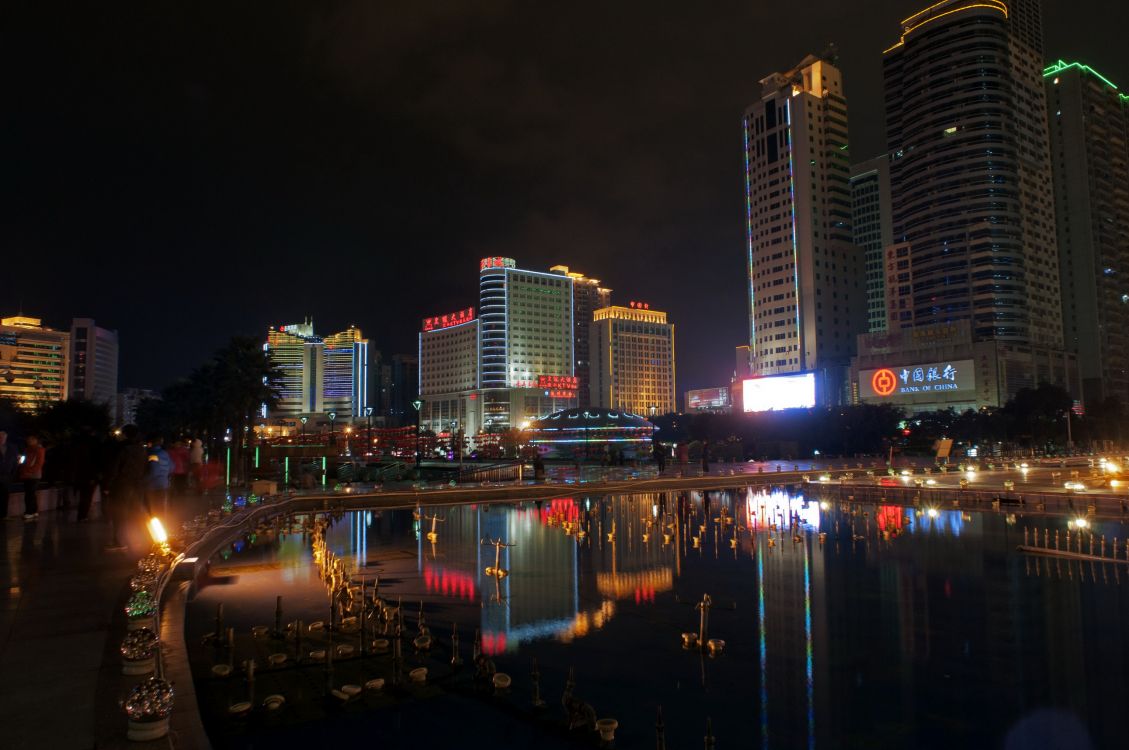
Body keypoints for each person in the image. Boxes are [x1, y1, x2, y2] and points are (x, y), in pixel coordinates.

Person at [104, 425, 147, 550]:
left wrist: (107, 485)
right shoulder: (142, 449)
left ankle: (119, 541)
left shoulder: (121, 449)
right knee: (135, 512)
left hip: (122, 484)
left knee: (120, 513)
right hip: (137, 484)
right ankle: (136, 539)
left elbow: (114, 468)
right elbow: (146, 467)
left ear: (125, 434)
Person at [71, 427, 102, 521]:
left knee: (82, 495)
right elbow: (97, 460)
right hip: (90, 475)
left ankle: (81, 514)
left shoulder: (76, 443)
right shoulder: (95, 443)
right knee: (87, 495)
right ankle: (83, 515)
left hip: (79, 474)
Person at [20, 434, 46, 520]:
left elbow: (39, 464)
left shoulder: (39, 450)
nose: (28, 441)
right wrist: (20, 463)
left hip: (34, 476)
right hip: (27, 474)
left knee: (29, 494)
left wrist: (29, 472)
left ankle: (29, 512)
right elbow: (22, 461)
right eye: (28, 439)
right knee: (31, 493)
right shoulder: (27, 450)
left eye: (31, 439)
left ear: (35, 440)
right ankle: (34, 511)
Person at [145, 435, 172, 515]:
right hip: (163, 483)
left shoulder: (152, 454)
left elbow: (153, 471)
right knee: (161, 508)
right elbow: (172, 467)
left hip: (153, 485)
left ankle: (153, 525)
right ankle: (161, 524)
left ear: (151, 443)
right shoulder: (165, 453)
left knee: (152, 509)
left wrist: (143, 480)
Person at [0, 431, 19, 517]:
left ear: (6, 438)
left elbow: (15, 462)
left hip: (6, 476)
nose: (2, 439)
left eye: (3, 437)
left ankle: (4, 515)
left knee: (5, 495)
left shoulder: (12, 448)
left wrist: (12, 474)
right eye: (0, 437)